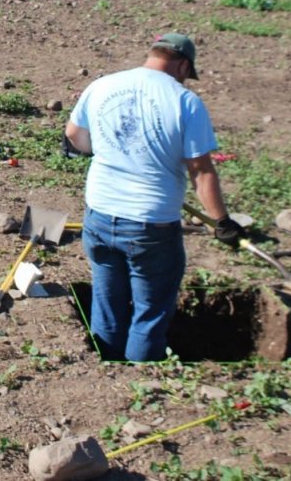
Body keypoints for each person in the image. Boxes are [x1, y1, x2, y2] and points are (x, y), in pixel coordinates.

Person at [64, 33, 246, 362]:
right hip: (151, 227)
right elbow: (201, 170)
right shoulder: (184, 101)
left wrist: (99, 150)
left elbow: (74, 136)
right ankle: (141, 381)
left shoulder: (103, 85)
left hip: (99, 216)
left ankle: (109, 370)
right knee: (149, 316)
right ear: (182, 65)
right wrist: (222, 221)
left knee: (107, 304)